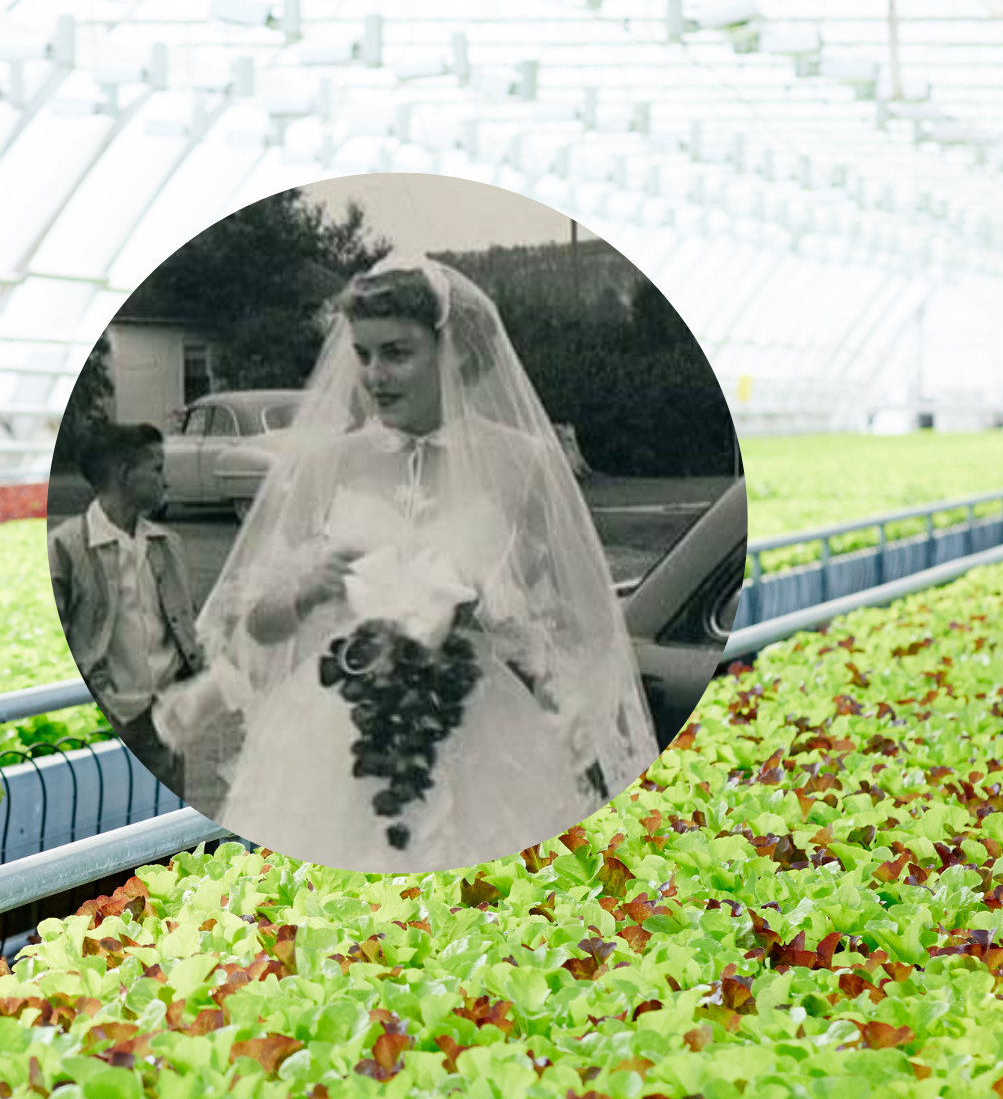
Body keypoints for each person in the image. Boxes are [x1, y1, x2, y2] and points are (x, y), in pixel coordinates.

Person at [155, 259, 658, 873]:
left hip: (482, 734)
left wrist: (498, 620)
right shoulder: (328, 464)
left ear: (455, 352)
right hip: (330, 736)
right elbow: (256, 626)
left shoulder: (523, 463)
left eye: (397, 353)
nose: (374, 375)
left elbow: (581, 623)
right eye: (363, 354)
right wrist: (307, 591)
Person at [47, 423, 204, 784]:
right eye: (157, 468)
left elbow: (186, 623)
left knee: (173, 824)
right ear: (125, 475)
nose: (166, 481)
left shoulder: (166, 543)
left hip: (166, 713)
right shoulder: (67, 548)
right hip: (111, 713)